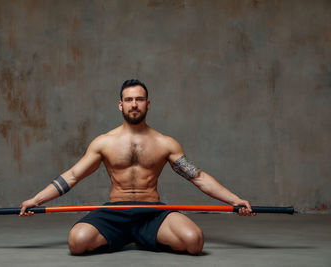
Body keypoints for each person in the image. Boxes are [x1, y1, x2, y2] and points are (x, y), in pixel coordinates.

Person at [19, 79, 255, 255]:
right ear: (120, 105)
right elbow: (71, 177)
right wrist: (36, 200)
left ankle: (143, 235)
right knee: (77, 243)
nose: (134, 104)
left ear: (148, 104)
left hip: (152, 212)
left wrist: (234, 200)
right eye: (129, 100)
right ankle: (128, 236)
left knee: (194, 242)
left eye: (139, 99)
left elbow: (198, 177)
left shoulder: (165, 143)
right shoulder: (104, 142)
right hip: (115, 213)